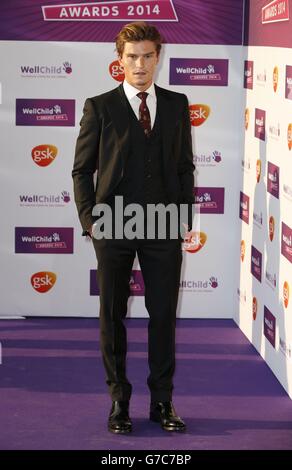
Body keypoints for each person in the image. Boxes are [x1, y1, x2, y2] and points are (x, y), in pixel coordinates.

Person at [72, 21, 195, 434]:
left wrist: (182, 219)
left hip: (163, 227)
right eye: (131, 57)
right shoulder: (100, 106)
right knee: (112, 315)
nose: (139, 65)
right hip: (112, 225)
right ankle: (118, 404)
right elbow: (82, 170)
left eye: (147, 56)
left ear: (158, 57)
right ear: (119, 60)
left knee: (163, 315)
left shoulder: (177, 104)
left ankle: (163, 403)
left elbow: (183, 167)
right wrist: (91, 221)